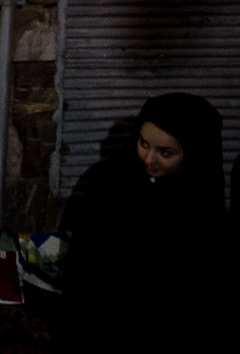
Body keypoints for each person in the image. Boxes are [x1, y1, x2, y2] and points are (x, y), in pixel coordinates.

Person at [58, 92, 231, 350]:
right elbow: (82, 270)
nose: (150, 159)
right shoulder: (111, 180)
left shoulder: (202, 199)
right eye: (143, 144)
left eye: (165, 152)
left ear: (195, 153)